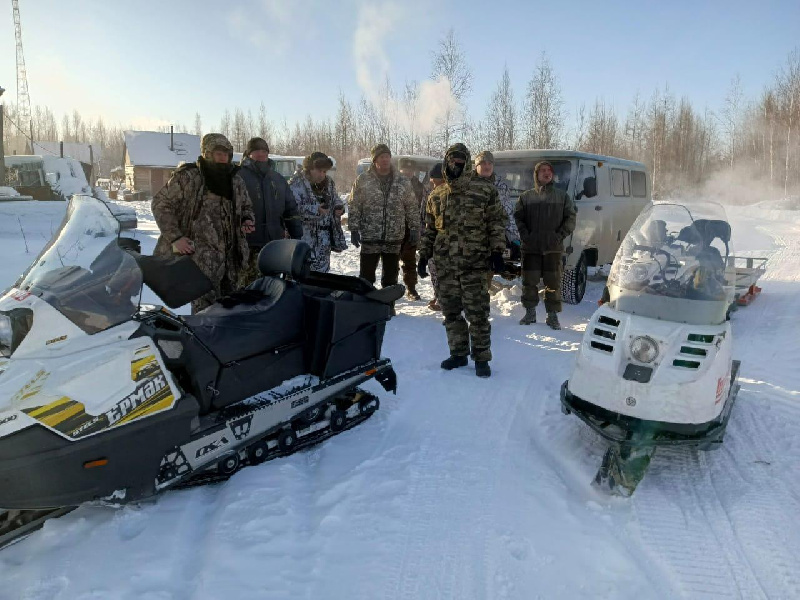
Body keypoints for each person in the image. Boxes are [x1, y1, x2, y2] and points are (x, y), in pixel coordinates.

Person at [417, 144, 506, 378]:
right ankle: (458, 353)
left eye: (460, 161)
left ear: (467, 163)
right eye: (451, 161)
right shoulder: (436, 194)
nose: (455, 165)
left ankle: (481, 358)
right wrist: (423, 254)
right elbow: (429, 229)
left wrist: (497, 252)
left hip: (474, 264)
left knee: (477, 314)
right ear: (446, 164)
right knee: (451, 313)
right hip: (445, 265)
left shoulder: (484, 191)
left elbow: (496, 223)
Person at [152, 133, 255, 314]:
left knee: (231, 307)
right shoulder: (190, 177)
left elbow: (246, 205)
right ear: (207, 153)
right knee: (204, 312)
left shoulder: (235, 179)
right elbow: (161, 204)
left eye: (226, 154)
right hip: (200, 258)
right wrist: (175, 237)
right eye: (218, 153)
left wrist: (247, 219)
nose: (223, 158)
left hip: (232, 258)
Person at [514, 161, 577, 330]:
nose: (546, 173)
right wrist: (526, 236)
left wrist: (559, 236)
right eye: (542, 170)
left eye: (549, 170)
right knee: (529, 283)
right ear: (536, 175)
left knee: (553, 283)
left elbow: (571, 219)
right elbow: (518, 218)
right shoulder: (526, 197)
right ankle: (530, 313)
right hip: (531, 248)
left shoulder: (562, 196)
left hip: (553, 249)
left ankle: (552, 316)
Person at [348, 144, 418, 288]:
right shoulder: (363, 180)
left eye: (387, 156)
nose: (385, 159)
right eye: (381, 157)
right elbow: (354, 204)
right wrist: (354, 228)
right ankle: (367, 306)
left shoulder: (402, 180)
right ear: (375, 160)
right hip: (370, 236)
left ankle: (388, 307)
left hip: (393, 237)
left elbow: (411, 205)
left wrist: (414, 227)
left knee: (390, 278)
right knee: (366, 278)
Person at [238, 137, 303, 285]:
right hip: (248, 245)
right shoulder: (238, 176)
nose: (261, 154)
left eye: (264, 151)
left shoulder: (277, 179)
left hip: (274, 243)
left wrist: (296, 234)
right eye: (256, 151)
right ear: (249, 154)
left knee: (273, 286)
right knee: (248, 288)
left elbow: (290, 208)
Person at [288, 152, 346, 273]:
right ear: (309, 169)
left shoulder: (329, 183)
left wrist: (338, 207)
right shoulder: (296, 184)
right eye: (319, 171)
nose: (322, 175)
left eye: (324, 172)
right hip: (304, 239)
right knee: (301, 274)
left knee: (322, 278)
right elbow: (291, 210)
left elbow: (335, 198)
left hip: (324, 240)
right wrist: (315, 209)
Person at [398, 157, 426, 300]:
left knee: (409, 261)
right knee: (391, 261)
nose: (408, 172)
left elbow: (423, 208)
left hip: (412, 229)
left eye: (411, 170)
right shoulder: (393, 184)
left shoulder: (419, 186)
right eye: (405, 169)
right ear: (400, 170)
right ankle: (390, 289)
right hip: (394, 229)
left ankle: (411, 289)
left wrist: (420, 228)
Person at [425, 162, 445, 311]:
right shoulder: (433, 195)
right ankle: (439, 296)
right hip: (434, 241)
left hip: (447, 245)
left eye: (435, 181)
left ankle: (444, 300)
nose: (433, 184)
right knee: (434, 268)